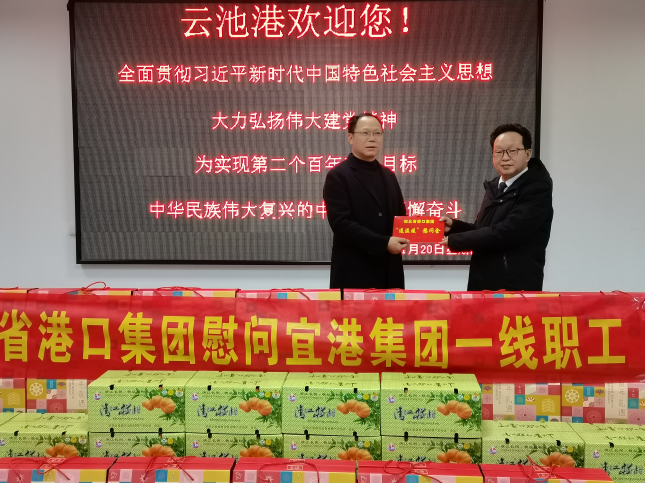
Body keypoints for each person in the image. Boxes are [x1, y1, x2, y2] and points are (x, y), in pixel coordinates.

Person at [440, 124, 553, 291]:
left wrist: (457, 241)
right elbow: (483, 229)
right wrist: (454, 227)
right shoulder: (495, 187)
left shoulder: (537, 189)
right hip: (482, 282)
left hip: (514, 288)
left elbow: (508, 232)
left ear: (528, 154)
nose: (505, 157)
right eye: (499, 152)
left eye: (512, 151)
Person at [323, 113, 409, 289]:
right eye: (365, 133)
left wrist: (424, 228)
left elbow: (400, 217)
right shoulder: (338, 175)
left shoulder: (389, 175)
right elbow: (341, 224)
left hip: (390, 271)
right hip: (355, 272)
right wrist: (383, 243)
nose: (372, 139)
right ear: (351, 138)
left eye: (377, 133)